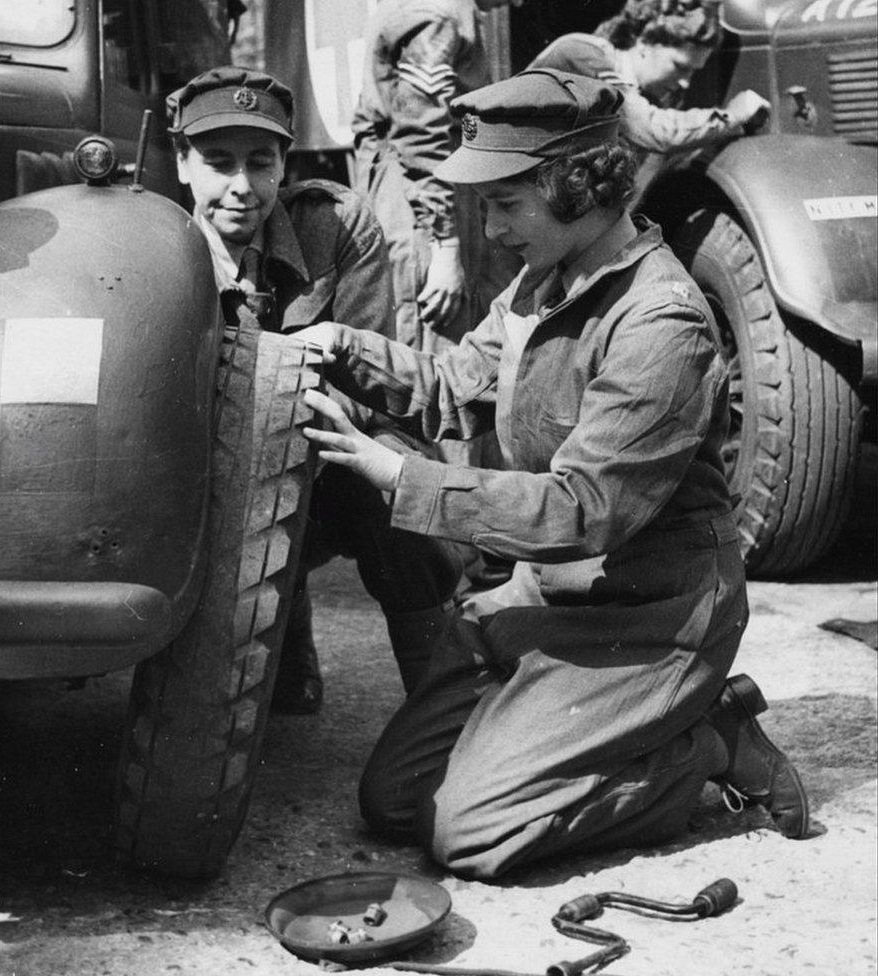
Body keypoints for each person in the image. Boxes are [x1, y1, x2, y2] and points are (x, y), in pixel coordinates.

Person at [297, 68, 810, 879]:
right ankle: (569, 730)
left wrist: (400, 476)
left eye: (506, 204)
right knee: (396, 802)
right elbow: (454, 388)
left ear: (576, 186)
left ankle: (706, 744)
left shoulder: (660, 321)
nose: (492, 230)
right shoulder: (542, 283)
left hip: (651, 611)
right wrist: (343, 348)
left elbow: (586, 509)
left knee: (471, 835)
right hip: (551, 593)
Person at [166, 67, 464, 714]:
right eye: (219, 163)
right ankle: (283, 639)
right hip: (205, 467)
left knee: (398, 492)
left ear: (283, 164)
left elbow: (369, 378)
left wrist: (283, 426)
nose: (242, 187)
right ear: (182, 164)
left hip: (321, 444)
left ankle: (446, 718)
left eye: (261, 163)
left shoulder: (333, 224)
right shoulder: (158, 245)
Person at [352, 0, 524, 354]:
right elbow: (422, 135)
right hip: (424, 204)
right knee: (433, 353)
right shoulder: (438, 13)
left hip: (425, 193)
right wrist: (444, 245)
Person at [528, 0, 770, 165]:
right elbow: (654, 132)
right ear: (644, 43)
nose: (686, 83)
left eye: (693, 73)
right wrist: (732, 116)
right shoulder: (583, 54)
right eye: (680, 67)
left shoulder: (645, 95)